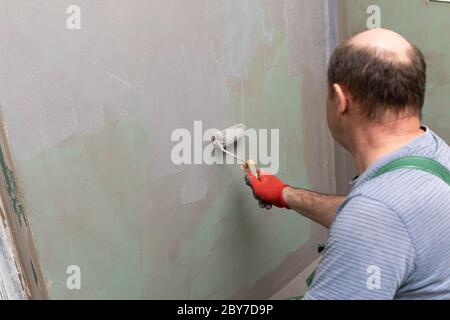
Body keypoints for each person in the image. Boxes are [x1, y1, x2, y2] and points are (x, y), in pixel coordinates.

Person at [245, 28, 450, 300]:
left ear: (340, 100)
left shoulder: (374, 216)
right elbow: (388, 219)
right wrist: (285, 194)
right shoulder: (434, 152)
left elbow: (375, 219)